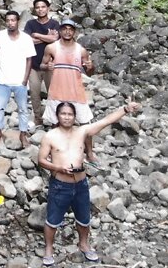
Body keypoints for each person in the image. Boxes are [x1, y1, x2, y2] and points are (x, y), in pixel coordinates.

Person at [38, 100, 141, 265]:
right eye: (63, 114)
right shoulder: (50, 136)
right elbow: (41, 160)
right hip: (60, 185)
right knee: (53, 219)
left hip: (80, 184)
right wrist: (58, 167)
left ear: (74, 117)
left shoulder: (82, 131)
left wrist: (125, 109)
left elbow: (106, 121)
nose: (66, 117)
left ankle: (84, 244)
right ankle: (49, 249)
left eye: (70, 114)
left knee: (84, 218)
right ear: (57, 116)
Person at [41, 19, 98, 164]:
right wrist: (47, 66)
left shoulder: (81, 50)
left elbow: (90, 72)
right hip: (57, 92)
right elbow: (42, 64)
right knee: (55, 124)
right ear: (60, 31)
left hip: (76, 93)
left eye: (70, 29)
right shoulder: (51, 48)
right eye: (64, 28)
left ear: (74, 32)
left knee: (85, 124)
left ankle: (90, 153)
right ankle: (55, 152)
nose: (67, 31)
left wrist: (91, 66)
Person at [0, 10, 36, 143]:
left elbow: (29, 59)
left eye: (13, 20)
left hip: (19, 81)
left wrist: (25, 79)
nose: (10, 23)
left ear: (18, 22)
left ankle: (23, 134)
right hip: (3, 79)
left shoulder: (26, 38)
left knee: (23, 108)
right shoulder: (0, 35)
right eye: (8, 21)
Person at [23, 0, 60, 120]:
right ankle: (37, 117)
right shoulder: (30, 24)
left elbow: (55, 39)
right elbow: (27, 41)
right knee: (34, 93)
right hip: (34, 65)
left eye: (43, 7)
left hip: (50, 65)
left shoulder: (54, 24)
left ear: (48, 8)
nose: (40, 9)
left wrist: (37, 35)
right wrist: (46, 37)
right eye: (38, 7)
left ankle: (54, 117)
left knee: (53, 92)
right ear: (35, 9)